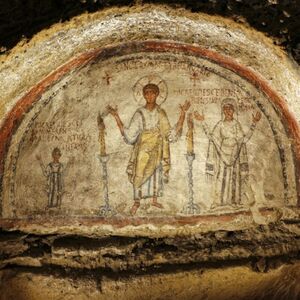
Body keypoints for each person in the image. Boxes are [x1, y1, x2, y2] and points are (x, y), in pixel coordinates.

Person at [107, 82, 190, 215]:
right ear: (144, 95)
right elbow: (130, 133)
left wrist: (182, 114)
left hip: (157, 147)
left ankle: (154, 199)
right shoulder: (139, 113)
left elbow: (168, 133)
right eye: (147, 93)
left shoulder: (160, 112)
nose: (149, 95)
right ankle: (136, 202)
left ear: (157, 94)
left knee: (156, 172)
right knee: (139, 173)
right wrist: (116, 116)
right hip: (143, 148)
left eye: (152, 92)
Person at [194, 98, 261, 208]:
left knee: (235, 178)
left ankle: (234, 202)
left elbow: (243, 140)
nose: (227, 111)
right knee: (221, 177)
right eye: (225, 109)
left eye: (230, 109)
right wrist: (202, 122)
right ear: (222, 111)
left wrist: (254, 124)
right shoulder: (220, 124)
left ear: (233, 110)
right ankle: (219, 202)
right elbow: (212, 137)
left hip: (235, 154)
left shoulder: (236, 124)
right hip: (222, 155)